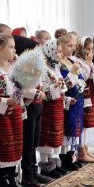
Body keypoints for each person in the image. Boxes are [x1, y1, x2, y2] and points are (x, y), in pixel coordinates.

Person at [0, 34, 29, 187]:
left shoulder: (13, 68)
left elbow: (21, 90)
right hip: (2, 118)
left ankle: (12, 182)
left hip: (16, 114)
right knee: (4, 150)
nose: (14, 50)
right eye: (10, 47)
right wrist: (6, 101)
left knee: (15, 148)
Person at [13, 35, 49, 187]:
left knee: (34, 140)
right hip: (29, 106)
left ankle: (33, 171)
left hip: (38, 105)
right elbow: (22, 88)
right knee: (28, 142)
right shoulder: (20, 67)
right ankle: (27, 174)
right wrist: (36, 93)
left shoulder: (32, 66)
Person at [37, 39, 70, 178]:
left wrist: (62, 88)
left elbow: (62, 86)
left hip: (57, 105)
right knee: (47, 135)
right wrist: (55, 86)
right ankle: (45, 165)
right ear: (49, 52)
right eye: (57, 51)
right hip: (49, 106)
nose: (59, 54)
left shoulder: (55, 67)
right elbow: (44, 92)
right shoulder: (44, 69)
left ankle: (54, 162)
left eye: (60, 51)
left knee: (56, 134)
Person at [58, 33, 84, 170]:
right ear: (60, 46)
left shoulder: (71, 61)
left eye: (73, 46)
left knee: (74, 128)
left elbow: (80, 78)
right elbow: (64, 84)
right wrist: (73, 73)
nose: (72, 49)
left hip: (77, 99)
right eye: (69, 45)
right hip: (67, 100)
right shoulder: (60, 64)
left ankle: (70, 155)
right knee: (65, 130)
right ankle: (63, 158)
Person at [74, 37, 94, 163]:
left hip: (89, 94)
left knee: (86, 123)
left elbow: (93, 75)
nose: (90, 52)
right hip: (81, 95)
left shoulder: (87, 61)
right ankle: (80, 150)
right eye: (87, 49)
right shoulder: (76, 60)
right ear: (80, 48)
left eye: (91, 49)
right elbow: (82, 76)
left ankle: (85, 148)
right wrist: (88, 64)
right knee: (81, 123)